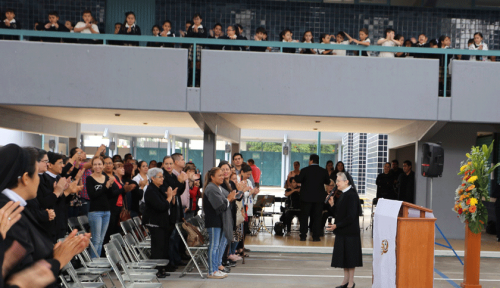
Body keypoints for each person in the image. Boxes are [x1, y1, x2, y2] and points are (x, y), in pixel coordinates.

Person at [0, 144, 91, 288]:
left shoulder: (16, 206)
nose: (39, 180)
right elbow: (21, 273)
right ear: (25, 178)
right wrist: (56, 261)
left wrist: (52, 254)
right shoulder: (8, 212)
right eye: (37, 174)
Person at [326, 172, 362, 288]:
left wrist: (337, 225)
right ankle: (345, 281)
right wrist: (332, 205)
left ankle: (351, 283)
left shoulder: (351, 195)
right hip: (343, 230)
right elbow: (339, 213)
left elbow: (351, 217)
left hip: (350, 232)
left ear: (346, 181)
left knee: (350, 258)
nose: (336, 184)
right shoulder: (343, 194)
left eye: (338, 181)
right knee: (345, 257)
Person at [143, 167, 176, 278]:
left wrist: (172, 197)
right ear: (152, 178)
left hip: (162, 222)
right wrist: (170, 197)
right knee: (158, 248)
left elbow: (167, 203)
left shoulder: (159, 188)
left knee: (163, 247)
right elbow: (161, 206)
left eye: (163, 176)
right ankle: (156, 270)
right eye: (160, 177)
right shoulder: (151, 191)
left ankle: (162, 269)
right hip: (155, 223)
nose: (162, 179)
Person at [203, 167, 236, 279]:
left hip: (220, 221)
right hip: (213, 221)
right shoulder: (211, 188)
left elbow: (229, 196)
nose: (222, 177)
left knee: (217, 246)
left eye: (223, 175)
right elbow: (220, 206)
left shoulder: (218, 187)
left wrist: (233, 196)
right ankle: (212, 271)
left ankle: (216, 268)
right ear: (212, 177)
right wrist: (229, 199)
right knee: (214, 246)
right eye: (219, 175)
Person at [295, 154, 332, 241]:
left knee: (304, 217)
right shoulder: (323, 171)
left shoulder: (305, 170)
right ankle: (315, 236)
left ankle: (303, 236)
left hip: (306, 198)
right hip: (318, 198)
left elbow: (298, 180)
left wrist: (296, 176)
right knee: (317, 217)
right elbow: (327, 181)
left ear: (311, 161)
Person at [86, 156, 114, 258]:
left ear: (103, 166)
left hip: (106, 211)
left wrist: (110, 185)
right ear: (92, 166)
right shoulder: (89, 178)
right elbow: (92, 195)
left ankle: (97, 262)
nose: (97, 166)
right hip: (95, 212)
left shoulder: (106, 178)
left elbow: (110, 195)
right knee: (96, 240)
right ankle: (94, 264)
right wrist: (105, 186)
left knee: (101, 240)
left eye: (99, 164)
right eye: (95, 164)